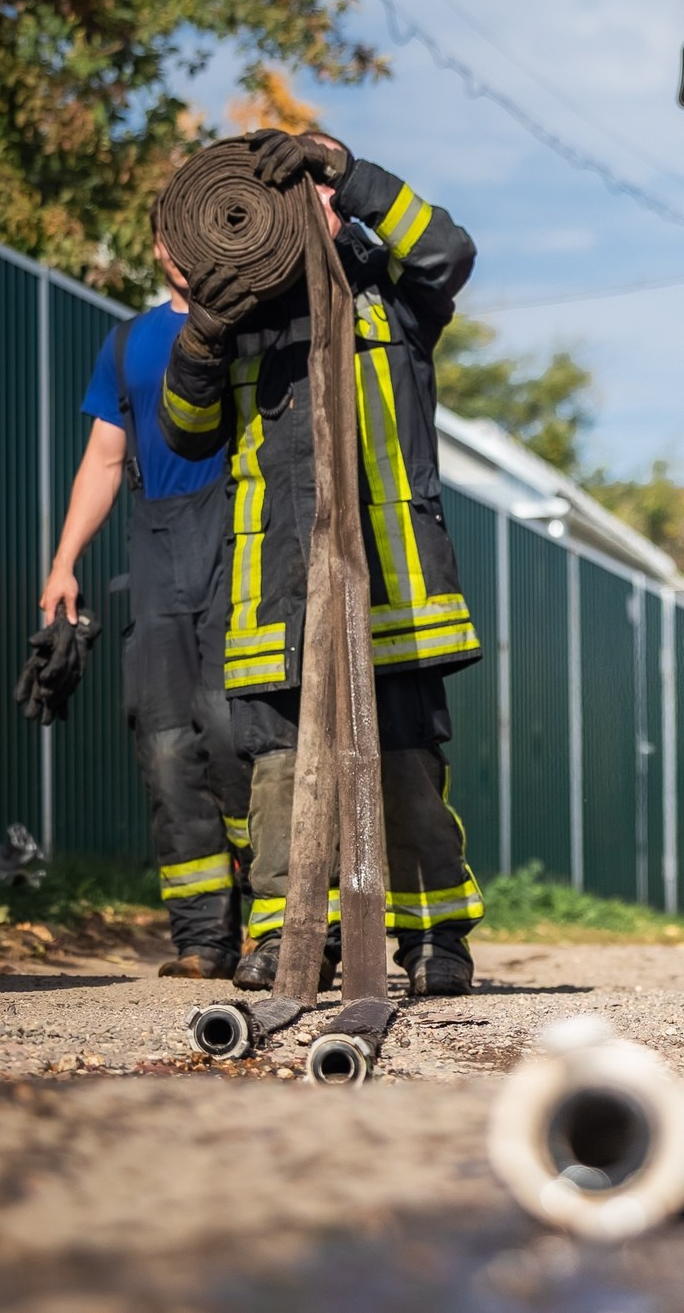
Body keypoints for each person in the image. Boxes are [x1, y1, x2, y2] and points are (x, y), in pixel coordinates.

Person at [157, 131, 485, 998]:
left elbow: (449, 248)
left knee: (406, 764)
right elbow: (183, 436)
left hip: (395, 584)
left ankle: (434, 937)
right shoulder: (238, 320)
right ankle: (289, 931)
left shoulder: (391, 294)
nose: (306, 206)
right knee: (277, 770)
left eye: (317, 191)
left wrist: (349, 166)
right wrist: (199, 340)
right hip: (278, 590)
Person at [38, 236, 248, 978]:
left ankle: (278, 928)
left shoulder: (251, 323)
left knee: (236, 730)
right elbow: (102, 457)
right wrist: (64, 563)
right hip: (157, 540)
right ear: (160, 244)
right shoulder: (128, 340)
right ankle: (201, 935)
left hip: (239, 535)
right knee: (163, 738)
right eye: (173, 236)